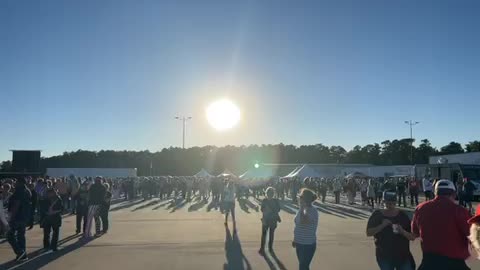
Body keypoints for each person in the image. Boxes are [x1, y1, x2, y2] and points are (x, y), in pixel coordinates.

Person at [411, 180, 471, 270]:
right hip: (454, 262)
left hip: (429, 262)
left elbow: (415, 232)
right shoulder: (459, 211)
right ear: (454, 194)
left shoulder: (421, 208)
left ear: (435, 193)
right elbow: (472, 234)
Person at [366, 191, 415, 270]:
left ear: (396, 202)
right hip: (384, 256)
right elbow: (368, 232)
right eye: (388, 203)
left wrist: (402, 231)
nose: (390, 206)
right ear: (383, 202)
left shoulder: (403, 215)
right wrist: (382, 226)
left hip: (403, 256)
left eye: (393, 203)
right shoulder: (377, 215)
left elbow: (412, 237)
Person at [292, 188, 319, 270]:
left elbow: (304, 221)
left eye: (301, 197)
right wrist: (295, 239)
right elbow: (298, 225)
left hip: (307, 244)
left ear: (305, 199)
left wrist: (302, 207)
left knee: (303, 267)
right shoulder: (302, 209)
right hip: (299, 242)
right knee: (304, 266)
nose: (299, 199)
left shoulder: (312, 211)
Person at [7, 178, 32, 262]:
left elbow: (16, 205)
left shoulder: (19, 192)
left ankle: (20, 252)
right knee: (21, 236)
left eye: (16, 182)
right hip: (24, 217)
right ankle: (23, 255)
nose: (15, 183)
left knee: (9, 235)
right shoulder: (27, 191)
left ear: (20, 183)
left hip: (17, 217)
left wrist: (10, 218)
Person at [259, 187, 281, 256]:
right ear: (267, 193)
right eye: (269, 193)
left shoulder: (271, 201)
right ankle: (264, 248)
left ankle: (269, 248)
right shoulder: (266, 200)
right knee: (265, 234)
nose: (270, 194)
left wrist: (270, 210)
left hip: (271, 220)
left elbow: (278, 209)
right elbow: (262, 209)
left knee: (269, 234)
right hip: (267, 219)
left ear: (273, 194)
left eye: (271, 193)